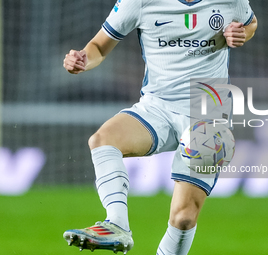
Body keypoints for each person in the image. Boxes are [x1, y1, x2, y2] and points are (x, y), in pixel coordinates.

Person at [62, 0, 257, 254]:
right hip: (157, 107)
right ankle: (116, 225)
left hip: (208, 113)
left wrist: (242, 32)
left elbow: (250, 21)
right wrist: (82, 60)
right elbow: (99, 46)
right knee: (103, 139)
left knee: (184, 218)